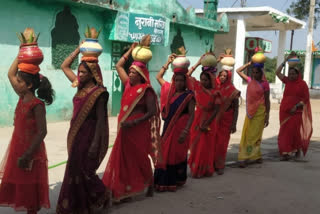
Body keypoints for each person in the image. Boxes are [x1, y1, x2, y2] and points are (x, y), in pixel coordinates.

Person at [102, 43, 161, 202]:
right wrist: (130, 50)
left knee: (139, 158)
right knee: (123, 160)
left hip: (138, 130)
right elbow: (119, 65)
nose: (130, 73)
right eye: (130, 71)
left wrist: (135, 123)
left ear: (141, 74)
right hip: (124, 129)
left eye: (133, 72)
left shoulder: (146, 90)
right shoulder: (128, 84)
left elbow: (152, 112)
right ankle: (123, 189)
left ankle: (149, 183)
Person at [56, 43, 110, 214]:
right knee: (73, 168)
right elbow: (64, 66)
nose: (79, 75)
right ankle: (77, 205)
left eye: (83, 72)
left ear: (93, 73)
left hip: (89, 135)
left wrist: (95, 144)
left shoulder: (99, 93)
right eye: (79, 72)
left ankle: (103, 194)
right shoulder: (78, 85)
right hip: (76, 134)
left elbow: (101, 120)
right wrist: (79, 50)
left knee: (85, 170)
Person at [0, 57, 54, 214]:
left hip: (31, 152)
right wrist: (20, 55)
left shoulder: (37, 105)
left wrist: (28, 154)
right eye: (17, 81)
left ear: (29, 85)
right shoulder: (22, 98)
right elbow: (10, 74)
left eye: (20, 82)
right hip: (17, 148)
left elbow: (42, 131)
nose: (16, 84)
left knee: (31, 191)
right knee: (21, 186)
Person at [154, 54, 195, 191]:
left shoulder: (189, 96)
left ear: (185, 82)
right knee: (164, 154)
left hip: (180, 131)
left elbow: (191, 115)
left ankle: (174, 181)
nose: (178, 83)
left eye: (181, 81)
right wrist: (167, 62)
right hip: (167, 129)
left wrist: (186, 131)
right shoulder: (169, 92)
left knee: (175, 155)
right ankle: (162, 181)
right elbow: (158, 77)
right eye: (176, 80)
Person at [186, 56, 221, 178]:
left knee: (205, 147)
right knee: (195, 146)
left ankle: (204, 170)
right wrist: (197, 63)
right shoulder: (198, 87)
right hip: (197, 120)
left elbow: (216, 110)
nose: (203, 82)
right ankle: (195, 169)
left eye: (205, 80)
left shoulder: (215, 93)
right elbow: (187, 75)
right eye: (201, 79)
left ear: (210, 80)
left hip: (209, 123)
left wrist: (206, 123)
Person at [276, 55, 312, 161]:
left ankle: (293, 150)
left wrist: (295, 107)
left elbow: (305, 99)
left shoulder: (302, 84)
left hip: (296, 112)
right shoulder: (287, 81)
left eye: (293, 74)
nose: (291, 76)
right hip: (284, 111)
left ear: (298, 74)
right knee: (284, 131)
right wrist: (285, 60)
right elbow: (277, 73)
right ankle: (286, 151)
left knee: (293, 132)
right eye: (290, 74)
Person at [236, 61, 270, 167]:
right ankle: (256, 155)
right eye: (253, 72)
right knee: (248, 135)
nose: (254, 75)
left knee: (255, 135)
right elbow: (238, 71)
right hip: (250, 111)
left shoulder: (265, 84)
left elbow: (267, 100)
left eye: (257, 73)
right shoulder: (250, 81)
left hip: (260, 112)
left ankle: (246, 157)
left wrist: (267, 115)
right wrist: (249, 63)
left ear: (261, 73)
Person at [215, 69, 240, 174]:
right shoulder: (215, 88)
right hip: (214, 119)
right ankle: (211, 163)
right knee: (213, 142)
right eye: (221, 75)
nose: (222, 77)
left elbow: (236, 108)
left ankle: (220, 165)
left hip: (226, 119)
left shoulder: (233, 90)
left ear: (228, 77)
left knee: (222, 143)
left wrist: (234, 124)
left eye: (225, 76)